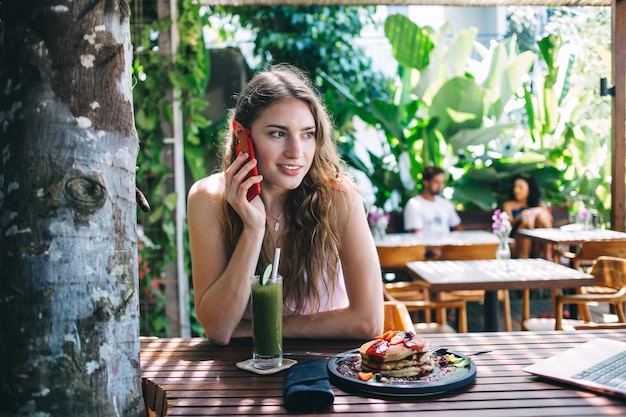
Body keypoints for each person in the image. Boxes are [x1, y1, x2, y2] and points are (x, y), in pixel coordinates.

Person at [187, 64, 384, 345]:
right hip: (243, 375)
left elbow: (368, 322)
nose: (296, 152)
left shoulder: (339, 198)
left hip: (327, 370)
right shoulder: (209, 198)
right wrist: (253, 229)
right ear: (242, 135)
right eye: (278, 134)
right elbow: (218, 329)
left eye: (307, 134)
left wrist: (262, 328)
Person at [403, 166, 463, 258]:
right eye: (436, 182)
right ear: (426, 182)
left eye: (441, 182)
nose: (440, 186)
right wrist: (434, 251)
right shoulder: (414, 204)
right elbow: (417, 235)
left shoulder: (445, 203)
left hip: (448, 250)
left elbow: (458, 227)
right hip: (426, 254)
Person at [502, 174, 553, 259]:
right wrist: (521, 216)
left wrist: (532, 212)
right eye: (515, 187)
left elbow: (549, 219)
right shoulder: (508, 205)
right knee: (526, 224)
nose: (516, 190)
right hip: (517, 238)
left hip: (537, 241)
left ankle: (547, 255)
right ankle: (526, 258)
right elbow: (509, 225)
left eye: (520, 187)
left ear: (529, 189)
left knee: (541, 217)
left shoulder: (538, 204)